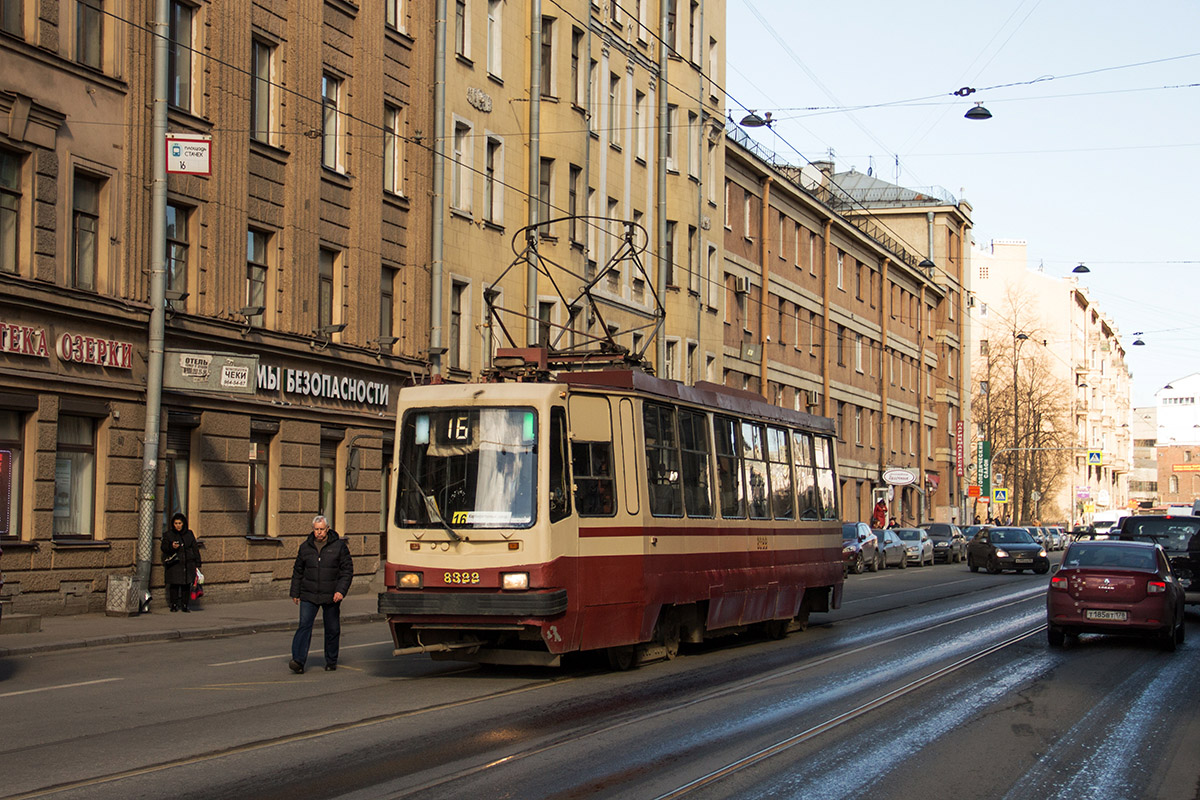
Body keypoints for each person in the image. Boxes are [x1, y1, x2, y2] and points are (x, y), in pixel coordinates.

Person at [289, 515, 353, 674]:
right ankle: (298, 660)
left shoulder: (339, 547)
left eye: (322, 529)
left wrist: (340, 590)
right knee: (304, 626)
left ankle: (331, 660)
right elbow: (298, 571)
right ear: (313, 529)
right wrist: (295, 592)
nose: (319, 532)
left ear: (327, 529)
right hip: (309, 594)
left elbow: (347, 571)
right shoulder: (305, 547)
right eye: (316, 529)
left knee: (332, 628)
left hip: (331, 595)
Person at [161, 512, 201, 612]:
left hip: (188, 564)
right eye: (176, 523)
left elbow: (195, 549)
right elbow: (164, 547)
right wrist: (172, 546)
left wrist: (197, 563)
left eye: (180, 523)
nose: (178, 526)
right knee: (174, 585)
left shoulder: (189, 534)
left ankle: (185, 605)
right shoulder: (169, 535)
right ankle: (173, 604)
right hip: (175, 564)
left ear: (183, 523)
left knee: (186, 586)